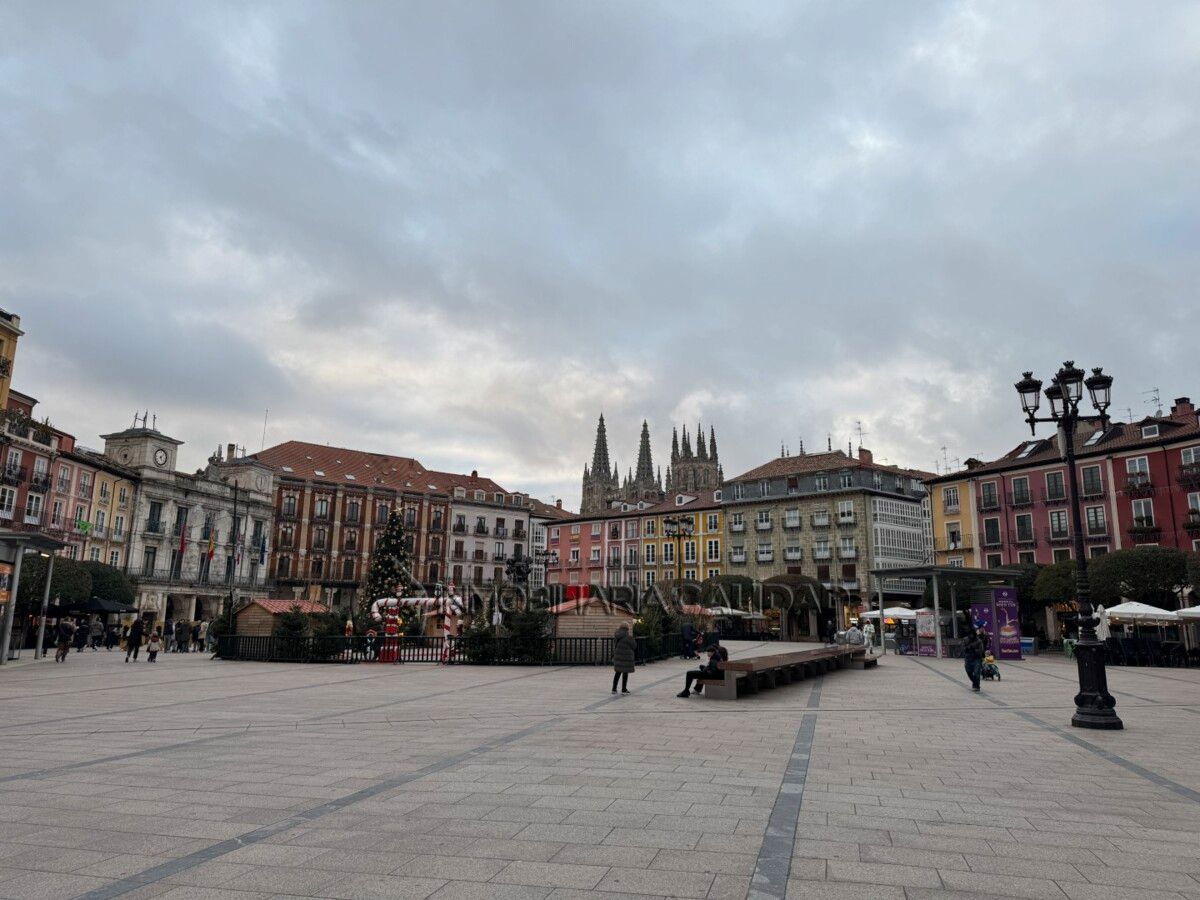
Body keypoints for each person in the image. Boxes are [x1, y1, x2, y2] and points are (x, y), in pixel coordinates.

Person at [611, 624, 636, 694]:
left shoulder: (617, 636)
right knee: (625, 673)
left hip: (618, 656)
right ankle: (624, 689)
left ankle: (614, 689)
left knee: (617, 672)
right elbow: (634, 646)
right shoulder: (629, 637)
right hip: (626, 657)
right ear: (627, 628)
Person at [963, 627, 987, 692]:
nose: (971, 636)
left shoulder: (979, 641)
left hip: (976, 659)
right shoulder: (965, 639)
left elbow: (981, 651)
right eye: (970, 634)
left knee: (976, 673)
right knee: (969, 671)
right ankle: (975, 682)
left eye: (972, 634)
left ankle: (977, 686)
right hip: (968, 658)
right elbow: (962, 648)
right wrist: (967, 648)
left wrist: (974, 649)